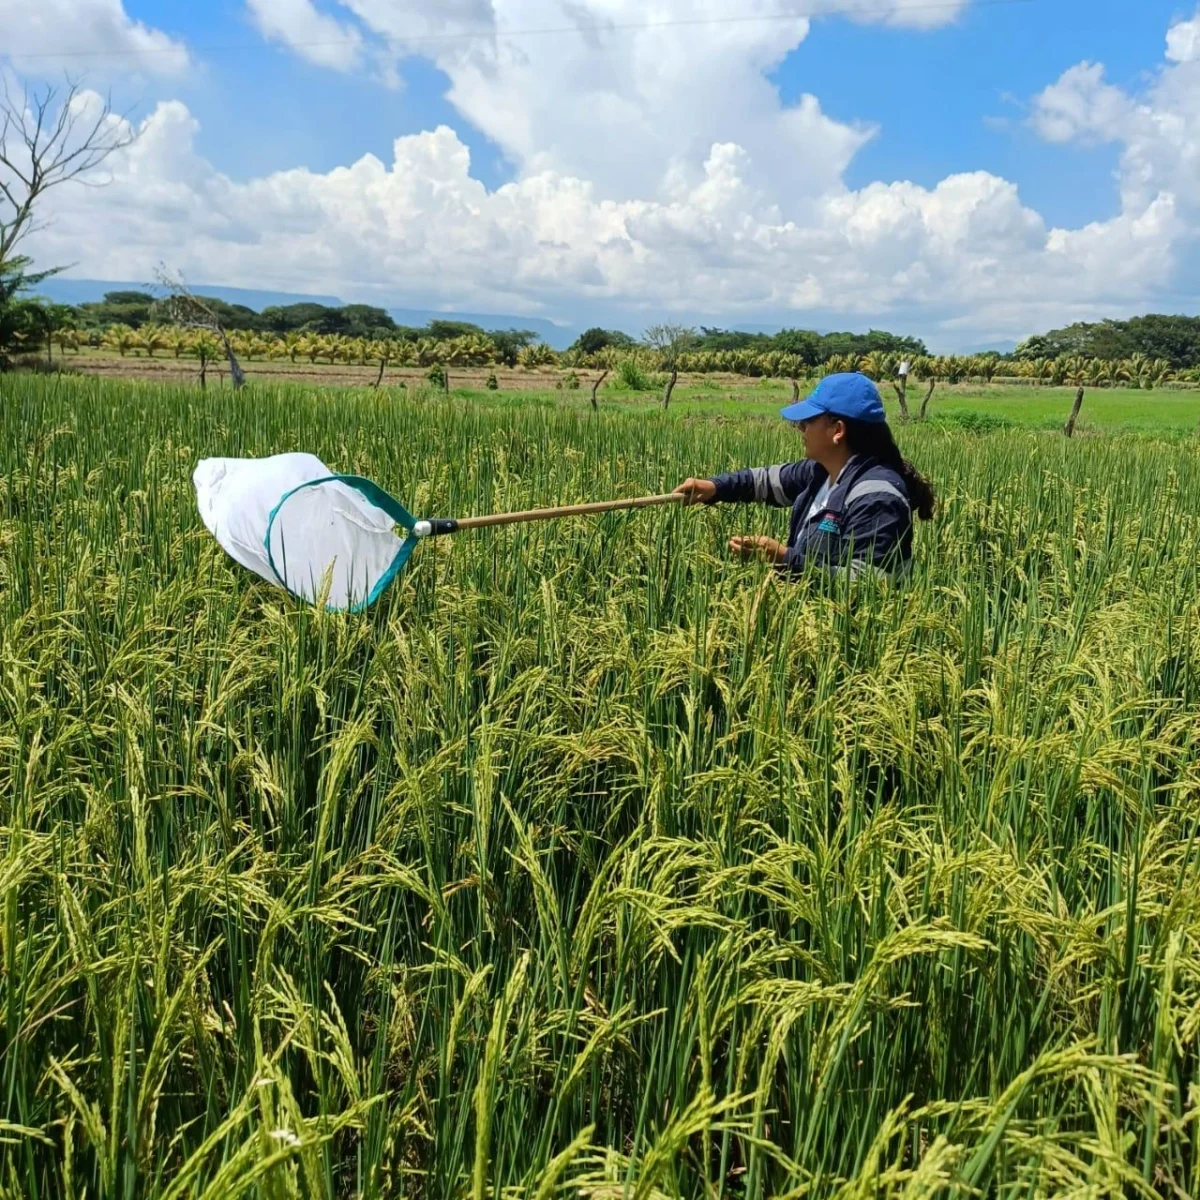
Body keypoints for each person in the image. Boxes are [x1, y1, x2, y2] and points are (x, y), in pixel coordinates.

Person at [674, 372, 936, 578]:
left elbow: (868, 583)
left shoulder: (876, 497)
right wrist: (714, 487)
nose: (800, 428)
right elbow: (764, 481)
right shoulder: (822, 472)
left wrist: (785, 559)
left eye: (808, 421)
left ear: (837, 430)